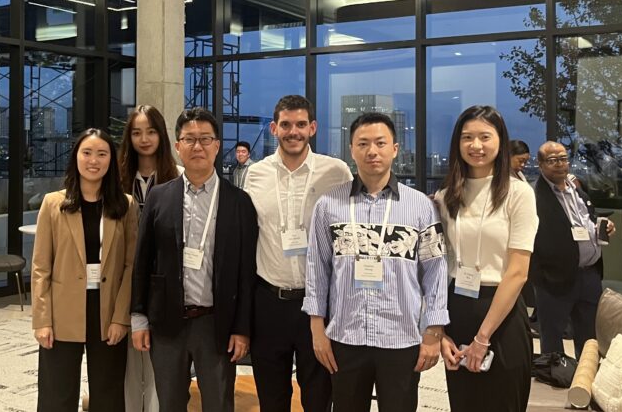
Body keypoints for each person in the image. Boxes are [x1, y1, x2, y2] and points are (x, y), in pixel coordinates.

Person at [303, 112, 448, 412]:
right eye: (363, 143)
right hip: (345, 336)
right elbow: (317, 270)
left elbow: (435, 270)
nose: (372, 151)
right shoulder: (329, 206)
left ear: (395, 149)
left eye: (380, 143)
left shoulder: (420, 206)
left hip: (401, 337)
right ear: (351, 150)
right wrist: (318, 330)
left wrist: (434, 331)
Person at [130, 107, 259, 412]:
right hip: (167, 322)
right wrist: (138, 317)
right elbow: (143, 260)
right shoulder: (160, 197)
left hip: (217, 324)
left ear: (217, 145)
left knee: (218, 403)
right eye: (189, 139)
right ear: (177, 146)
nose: (197, 146)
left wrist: (242, 328)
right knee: (170, 403)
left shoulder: (239, 202)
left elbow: (246, 272)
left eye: (205, 139)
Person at [243, 95, 353, 412]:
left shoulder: (337, 173)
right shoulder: (256, 174)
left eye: (301, 124)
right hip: (269, 304)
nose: (294, 131)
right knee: (271, 398)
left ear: (313, 128)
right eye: (287, 125)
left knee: (318, 398)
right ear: (275, 128)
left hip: (317, 307)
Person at [434, 105, 538, 412]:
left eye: (484, 137)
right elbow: (439, 265)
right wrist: (440, 330)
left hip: (501, 314)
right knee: (464, 403)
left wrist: (482, 338)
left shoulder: (518, 194)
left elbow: (518, 272)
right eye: (467, 137)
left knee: (501, 402)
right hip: (458, 307)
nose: (475, 145)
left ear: (500, 141)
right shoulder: (446, 195)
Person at [33, 129, 138, 412]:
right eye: (87, 153)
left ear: (111, 161)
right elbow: (41, 267)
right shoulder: (54, 204)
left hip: (107, 311)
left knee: (108, 392)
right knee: (57, 392)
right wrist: (42, 320)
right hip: (62, 310)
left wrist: (121, 318)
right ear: (76, 158)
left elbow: (130, 267)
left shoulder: (125, 205)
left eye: (102, 154)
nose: (94, 160)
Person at [117, 105, 181, 412]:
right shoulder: (117, 179)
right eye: (137, 132)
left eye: (151, 131)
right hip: (123, 276)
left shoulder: (177, 177)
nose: (144, 139)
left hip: (163, 279)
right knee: (127, 361)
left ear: (162, 135)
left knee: (160, 362)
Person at [530, 141, 616, 359]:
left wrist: (601, 229)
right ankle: (555, 376)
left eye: (563, 158)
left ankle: (584, 378)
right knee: (553, 336)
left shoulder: (578, 191)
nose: (559, 164)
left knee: (589, 336)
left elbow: (586, 222)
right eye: (552, 160)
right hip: (553, 279)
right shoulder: (533, 196)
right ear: (541, 165)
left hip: (589, 275)